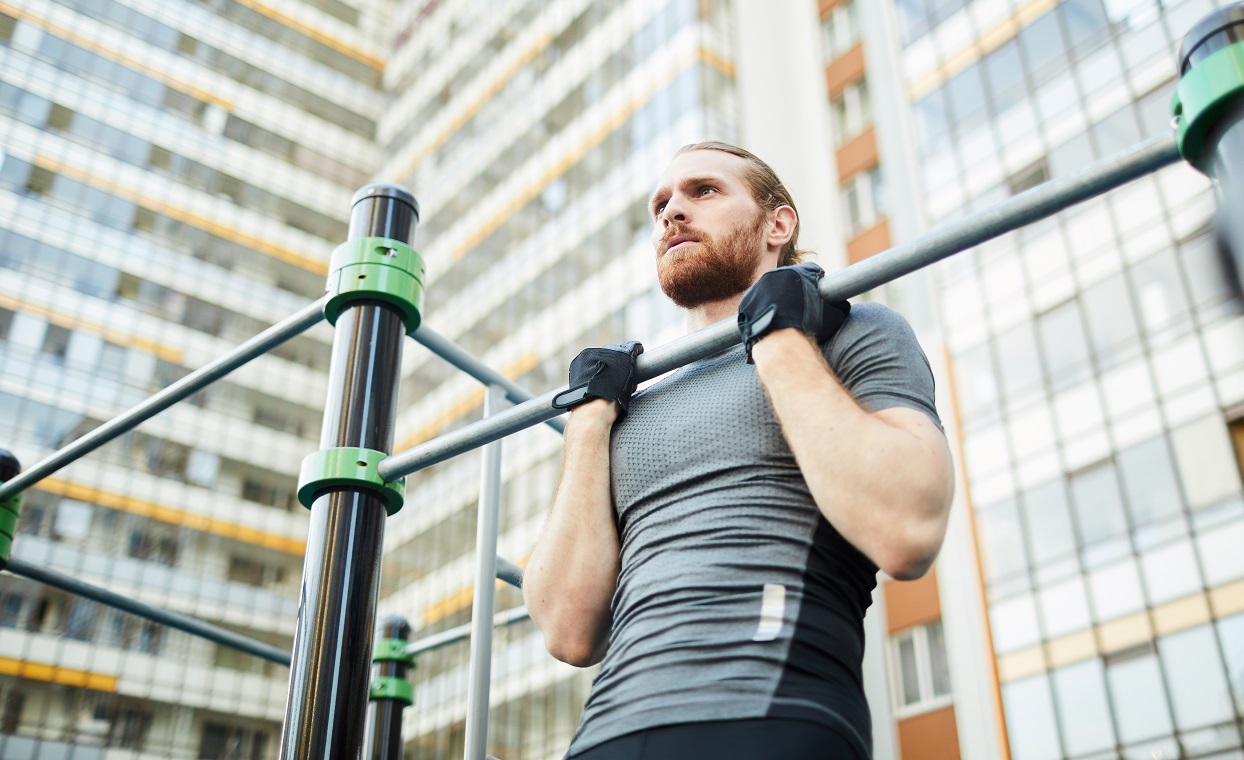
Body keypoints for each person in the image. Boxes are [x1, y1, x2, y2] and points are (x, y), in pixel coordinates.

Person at [521, 142, 955, 760]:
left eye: (704, 191)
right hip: (606, 733)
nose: (672, 212)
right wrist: (588, 423)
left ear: (778, 224)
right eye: (661, 204)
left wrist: (778, 337)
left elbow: (908, 529)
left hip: (773, 713)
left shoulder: (851, 332)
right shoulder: (630, 402)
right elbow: (567, 629)